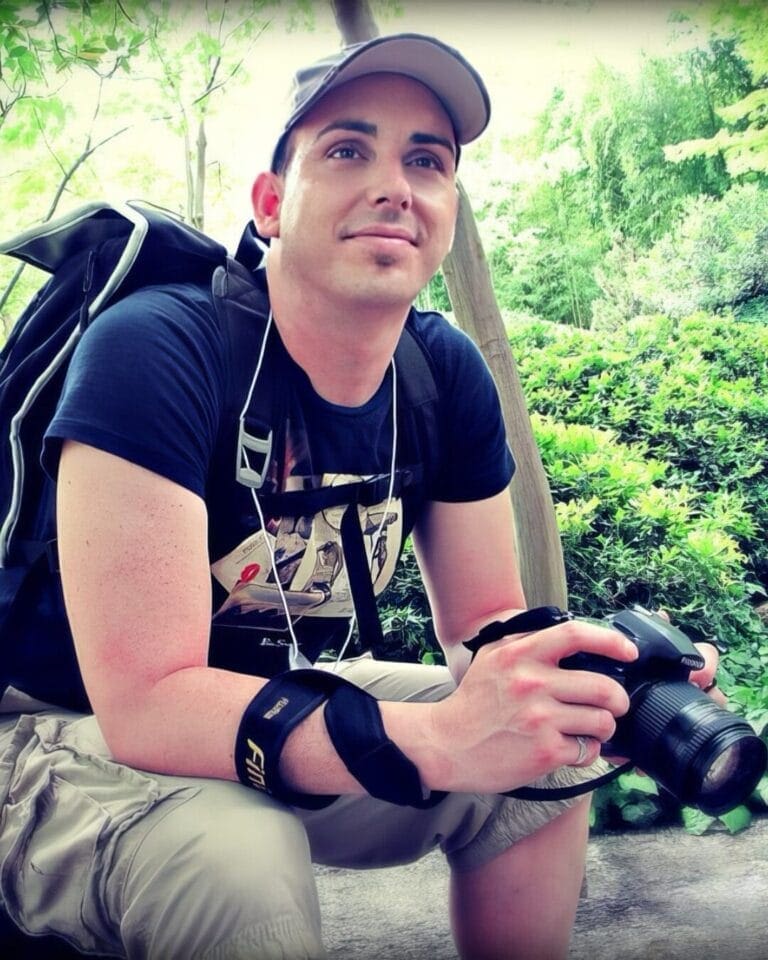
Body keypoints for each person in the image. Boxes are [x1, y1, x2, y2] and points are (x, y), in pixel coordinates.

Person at [0, 32, 720, 960]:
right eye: (347, 150)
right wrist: (440, 742)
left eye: (428, 160)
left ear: (448, 207)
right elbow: (148, 704)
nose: (395, 184)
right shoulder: (157, 350)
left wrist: (593, 686)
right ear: (270, 203)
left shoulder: (440, 370)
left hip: (264, 698)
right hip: (57, 726)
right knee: (236, 852)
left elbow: (489, 630)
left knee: (542, 765)